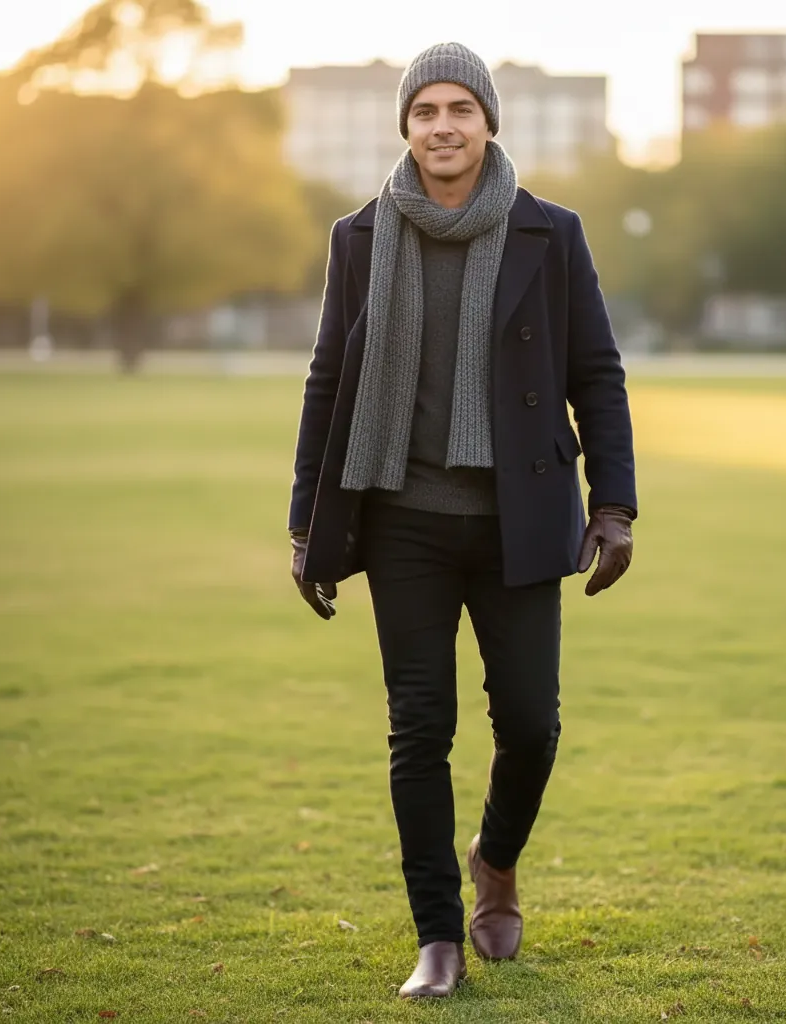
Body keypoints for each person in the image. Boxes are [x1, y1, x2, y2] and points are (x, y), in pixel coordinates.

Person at [288, 42, 636, 999]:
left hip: (519, 516)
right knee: (419, 728)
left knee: (530, 724)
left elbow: (595, 373)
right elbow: (328, 380)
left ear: (488, 121)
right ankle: (438, 936)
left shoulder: (549, 232)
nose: (443, 126)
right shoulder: (360, 236)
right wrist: (305, 523)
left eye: (460, 110)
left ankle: (497, 858)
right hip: (401, 517)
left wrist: (612, 506)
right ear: (406, 125)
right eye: (425, 111)